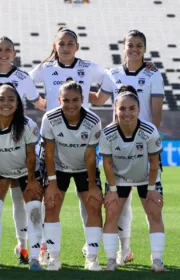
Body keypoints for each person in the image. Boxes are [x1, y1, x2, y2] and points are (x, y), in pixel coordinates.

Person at [29, 27, 111, 263]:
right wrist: (40, 102)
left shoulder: (89, 67)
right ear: (55, 46)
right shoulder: (45, 68)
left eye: (70, 43)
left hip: (83, 134)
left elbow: (110, 80)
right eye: (61, 43)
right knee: (50, 200)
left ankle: (91, 249)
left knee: (90, 202)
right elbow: (23, 82)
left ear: (77, 46)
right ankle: (46, 247)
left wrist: (97, 99)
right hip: (56, 133)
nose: (66, 47)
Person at [91, 29, 164, 266]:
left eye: (139, 45)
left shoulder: (154, 75)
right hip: (117, 144)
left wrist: (149, 143)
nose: (134, 49)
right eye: (130, 44)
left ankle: (155, 259)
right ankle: (123, 251)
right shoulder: (111, 74)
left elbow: (156, 116)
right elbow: (99, 100)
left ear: (144, 48)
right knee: (118, 204)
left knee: (150, 204)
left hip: (142, 145)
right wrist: (75, 87)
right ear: (123, 47)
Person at [0, 36, 46, 265]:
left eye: (8, 49)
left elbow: (39, 103)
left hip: (17, 144)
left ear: (14, 53)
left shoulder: (23, 79)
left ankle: (25, 248)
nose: (4, 53)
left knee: (23, 201)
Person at [40, 80, 103, 271]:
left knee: (93, 205)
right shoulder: (49, 118)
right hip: (58, 168)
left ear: (83, 99)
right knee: (51, 205)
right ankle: (54, 257)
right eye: (66, 100)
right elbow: (49, 153)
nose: (71, 105)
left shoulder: (93, 121)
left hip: (84, 167)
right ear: (59, 100)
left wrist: (92, 185)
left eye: (75, 100)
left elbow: (91, 156)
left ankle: (92, 258)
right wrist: (51, 183)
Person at [99, 91, 165, 272]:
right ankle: (111, 260)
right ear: (115, 110)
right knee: (111, 214)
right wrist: (112, 190)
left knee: (154, 213)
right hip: (119, 179)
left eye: (131, 108)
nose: (127, 113)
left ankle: (157, 260)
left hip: (147, 177)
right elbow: (107, 163)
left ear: (139, 109)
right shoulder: (108, 133)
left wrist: (152, 189)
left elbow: (154, 162)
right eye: (122, 108)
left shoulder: (149, 130)